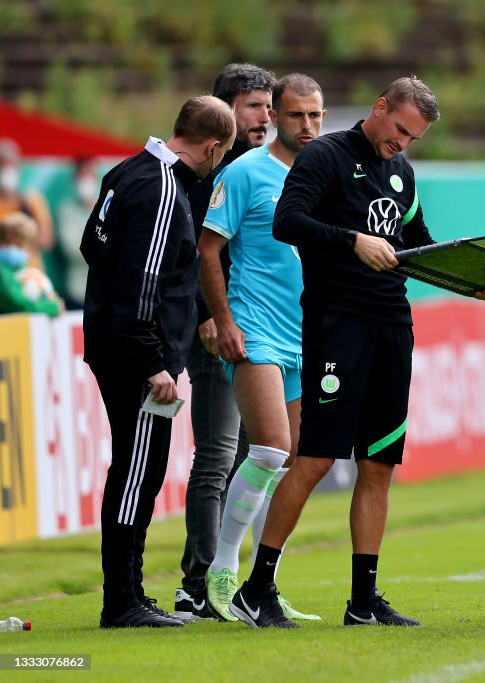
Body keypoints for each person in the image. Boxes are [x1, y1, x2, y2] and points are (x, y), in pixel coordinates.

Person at [231, 76, 485, 629]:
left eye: (413, 137)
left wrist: (471, 282)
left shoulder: (401, 172)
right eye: (399, 129)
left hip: (391, 326)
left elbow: (418, 246)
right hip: (337, 324)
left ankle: (362, 601)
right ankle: (256, 589)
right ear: (379, 108)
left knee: (379, 463)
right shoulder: (325, 155)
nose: (402, 143)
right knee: (316, 457)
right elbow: (287, 222)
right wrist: (352, 240)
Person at [81, 96, 236, 628]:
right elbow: (142, 282)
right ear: (214, 147)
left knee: (135, 468)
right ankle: (122, 600)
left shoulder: (125, 170)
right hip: (138, 355)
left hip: (112, 340)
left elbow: (91, 246)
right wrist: (154, 361)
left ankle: (128, 595)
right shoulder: (165, 189)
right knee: (136, 474)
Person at [198, 73, 326, 623]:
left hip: (307, 333)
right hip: (255, 329)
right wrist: (222, 320)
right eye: (296, 115)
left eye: (316, 116)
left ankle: (261, 583)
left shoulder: (327, 174)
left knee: (297, 462)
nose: (307, 125)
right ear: (274, 115)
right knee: (270, 449)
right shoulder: (245, 172)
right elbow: (207, 250)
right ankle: (222, 570)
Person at [174, 63, 276, 623]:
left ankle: (232, 582)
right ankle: (197, 585)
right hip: (219, 328)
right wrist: (213, 316)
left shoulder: (268, 167)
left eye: (268, 105)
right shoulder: (209, 175)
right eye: (254, 105)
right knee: (218, 456)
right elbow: (195, 253)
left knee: (250, 458)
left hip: (262, 331)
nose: (265, 116)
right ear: (224, 112)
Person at [0, 139, 54, 267]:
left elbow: (46, 241)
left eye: (11, 165)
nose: (7, 170)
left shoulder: (32, 200)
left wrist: (27, 225)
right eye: (2, 165)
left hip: (30, 271)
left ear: (19, 167)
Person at [56, 157, 101, 309]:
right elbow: (72, 250)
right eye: (82, 176)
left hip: (104, 292)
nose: (86, 180)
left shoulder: (106, 208)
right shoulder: (66, 210)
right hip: (77, 292)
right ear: (75, 180)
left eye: (90, 175)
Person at [0, 211, 63, 316]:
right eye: (18, 245)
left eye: (24, 246)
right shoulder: (1, 270)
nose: (21, 251)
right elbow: (18, 305)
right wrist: (51, 307)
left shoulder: (18, 267)